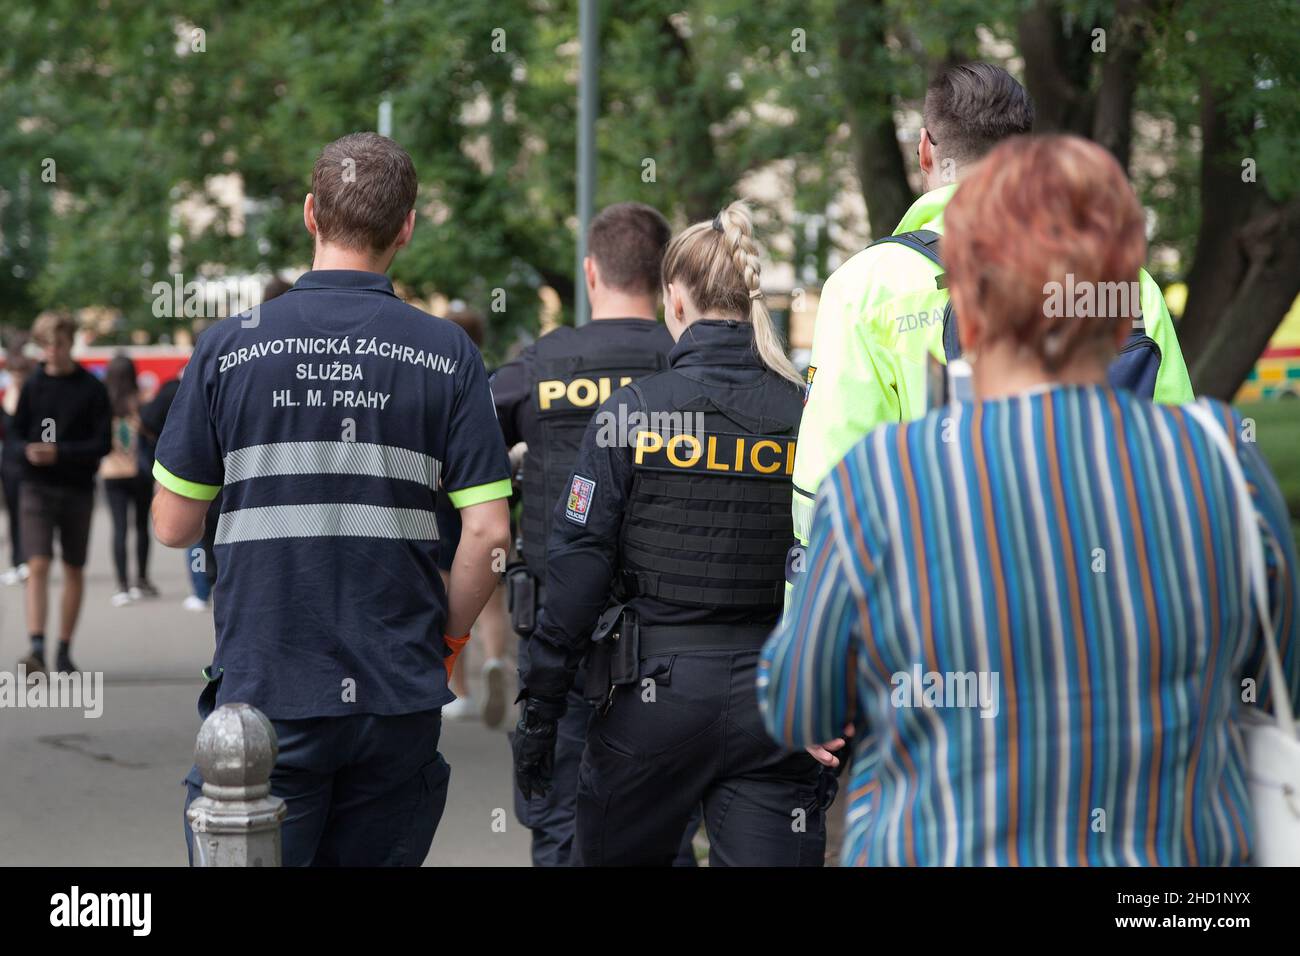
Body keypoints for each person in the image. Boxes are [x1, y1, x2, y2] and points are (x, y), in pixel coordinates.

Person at [760, 134, 1300, 866]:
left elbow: (800, 704)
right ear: (1121, 312)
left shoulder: (883, 482)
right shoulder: (1223, 461)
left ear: (969, 315)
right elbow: (1272, 683)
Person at [152, 132, 512, 866]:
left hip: (265, 694)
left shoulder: (229, 346)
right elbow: (487, 534)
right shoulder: (447, 353)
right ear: (407, 226)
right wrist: (445, 643)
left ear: (312, 215)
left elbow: (171, 524)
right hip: (398, 693)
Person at [513, 201, 828, 866]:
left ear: (673, 300)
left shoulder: (632, 414)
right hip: (777, 704)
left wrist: (541, 706)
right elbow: (845, 559)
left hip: (651, 699)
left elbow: (576, 575)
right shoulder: (806, 412)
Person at [790, 62, 1194, 548]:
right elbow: (1182, 460)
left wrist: (810, 614)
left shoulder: (865, 287)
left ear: (925, 150)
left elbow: (829, 493)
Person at [491, 201, 680, 866]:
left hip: (558, 634)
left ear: (590, 272)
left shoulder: (538, 367)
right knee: (665, 827)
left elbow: (466, 460)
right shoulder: (683, 363)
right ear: (663, 279)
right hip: (669, 636)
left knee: (563, 820)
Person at [12, 312, 110, 675]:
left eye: (59, 344)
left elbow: (102, 443)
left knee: (73, 566)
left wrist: (61, 452)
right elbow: (15, 435)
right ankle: (37, 646)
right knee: (37, 564)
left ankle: (64, 648)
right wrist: (28, 450)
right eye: (47, 345)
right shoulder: (34, 387)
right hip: (36, 487)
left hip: (76, 488)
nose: (52, 351)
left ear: (71, 343)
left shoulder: (90, 388)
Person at [438, 303, 512, 726]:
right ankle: (497, 659)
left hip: (446, 500)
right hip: (493, 494)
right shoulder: (495, 381)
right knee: (492, 593)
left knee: (451, 591)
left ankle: (459, 690)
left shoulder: (439, 375)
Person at [100, 353, 157, 606]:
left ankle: (122, 584)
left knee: (119, 528)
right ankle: (142, 580)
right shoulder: (142, 401)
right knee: (142, 527)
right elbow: (154, 433)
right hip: (140, 472)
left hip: (112, 472)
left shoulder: (103, 402)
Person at [1, 350, 33, 586]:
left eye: (21, 372)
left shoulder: (34, 397)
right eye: (13, 372)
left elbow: (47, 426)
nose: (17, 376)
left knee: (31, 514)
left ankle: (31, 560)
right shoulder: (5, 397)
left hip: (32, 464)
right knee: (13, 513)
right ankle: (16, 561)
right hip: (9, 463)